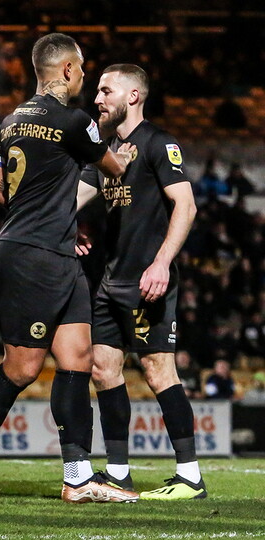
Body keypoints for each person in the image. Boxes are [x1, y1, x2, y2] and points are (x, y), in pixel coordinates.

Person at [0, 33, 136, 504]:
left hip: (49, 248)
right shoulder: (74, 121)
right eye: (82, 69)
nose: (84, 78)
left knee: (77, 359)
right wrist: (117, 137)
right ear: (68, 69)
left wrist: (53, 219)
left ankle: (77, 478)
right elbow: (115, 168)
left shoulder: (12, 121)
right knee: (22, 368)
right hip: (33, 255)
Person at [77, 64, 205, 500]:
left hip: (148, 280)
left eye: (106, 91)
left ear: (133, 96)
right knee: (102, 369)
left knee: (157, 369)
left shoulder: (158, 143)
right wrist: (63, 224)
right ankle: (118, 474)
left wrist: (162, 263)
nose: (98, 98)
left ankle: (190, 476)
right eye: (97, 91)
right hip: (110, 280)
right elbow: (75, 198)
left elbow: (186, 206)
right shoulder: (106, 152)